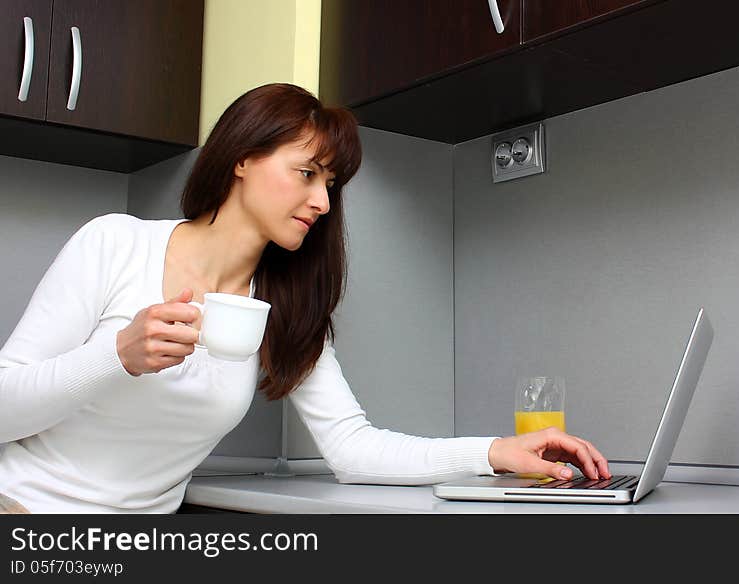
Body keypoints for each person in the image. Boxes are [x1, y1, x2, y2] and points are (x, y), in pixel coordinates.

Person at [0, 83, 611, 513]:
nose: (323, 201)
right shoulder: (114, 243)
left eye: (331, 183)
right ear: (242, 158)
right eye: (307, 172)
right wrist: (117, 355)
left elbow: (353, 448)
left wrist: (498, 452)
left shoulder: (283, 306)